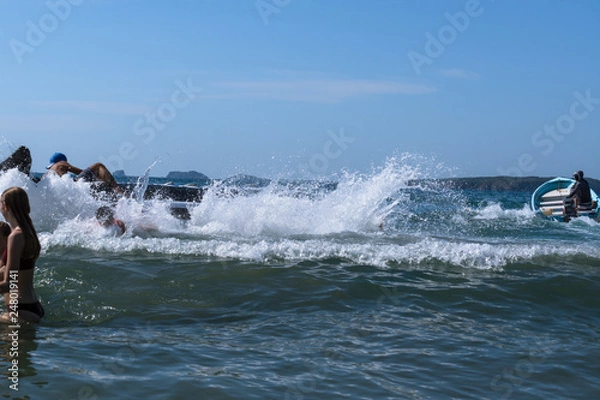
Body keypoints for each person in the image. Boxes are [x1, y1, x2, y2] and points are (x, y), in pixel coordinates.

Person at [0, 187, 44, 323]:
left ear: (6, 206)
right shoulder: (27, 231)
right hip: (29, 307)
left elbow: (10, 284)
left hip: (20, 311)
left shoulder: (16, 236)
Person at [46, 152, 124, 195]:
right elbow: (79, 172)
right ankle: (116, 188)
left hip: (56, 192)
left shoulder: (48, 173)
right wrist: (96, 178)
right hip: (67, 188)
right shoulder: (61, 163)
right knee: (98, 166)